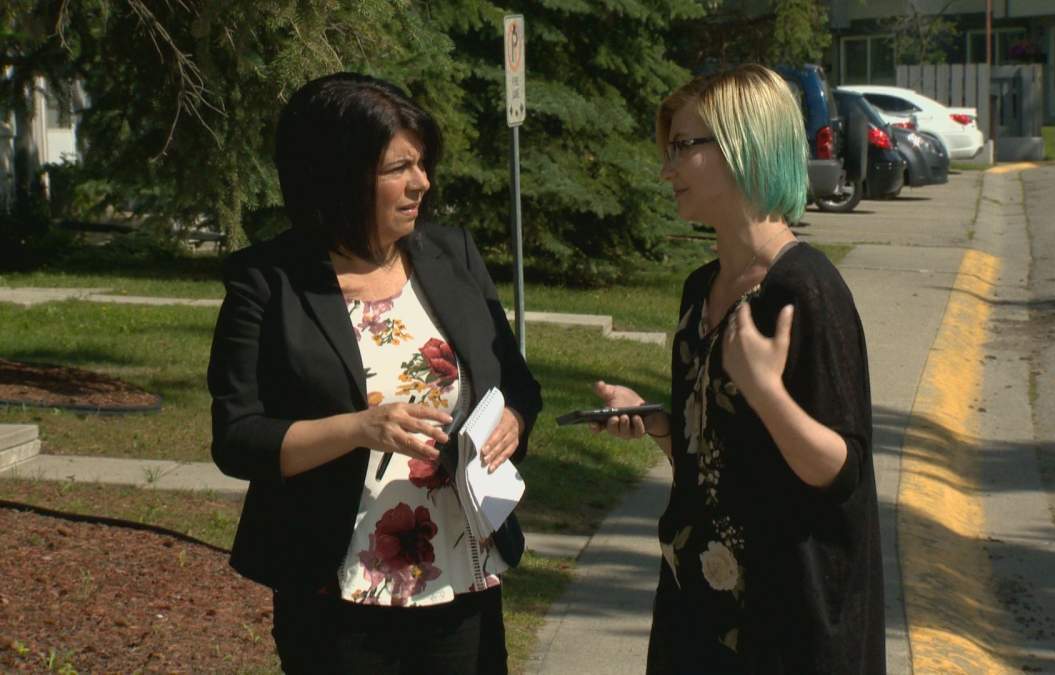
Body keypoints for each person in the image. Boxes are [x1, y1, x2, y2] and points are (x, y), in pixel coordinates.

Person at [207, 72, 541, 674]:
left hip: (461, 576)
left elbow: (515, 381)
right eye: (399, 168)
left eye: (422, 164)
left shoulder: (453, 254)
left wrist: (513, 420)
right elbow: (237, 437)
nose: (422, 183)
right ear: (339, 175)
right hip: (334, 590)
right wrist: (360, 428)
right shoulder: (268, 280)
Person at [592, 64, 885, 673]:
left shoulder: (807, 291)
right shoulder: (701, 289)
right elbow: (722, 458)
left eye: (683, 147)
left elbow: (840, 473)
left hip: (785, 624)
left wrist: (764, 391)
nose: (666, 169)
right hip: (697, 606)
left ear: (742, 145)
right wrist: (662, 426)